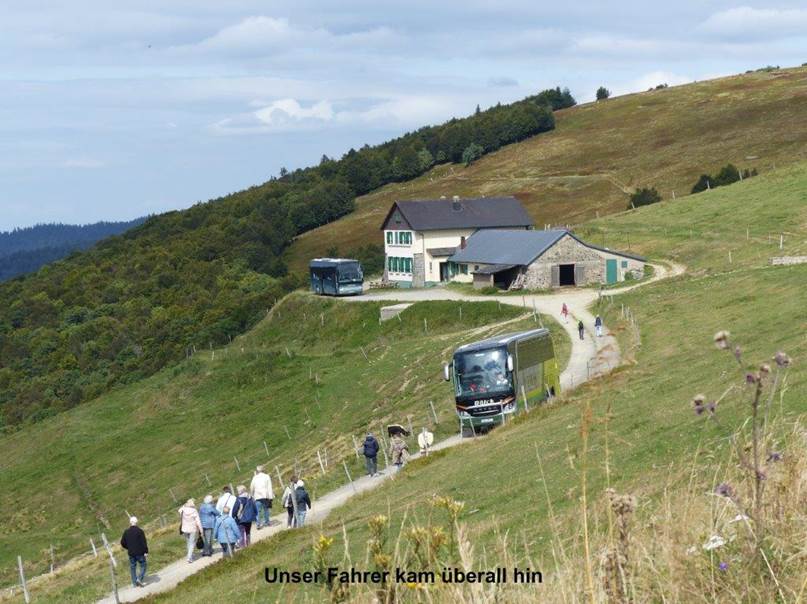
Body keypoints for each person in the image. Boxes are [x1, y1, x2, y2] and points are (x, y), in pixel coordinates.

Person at [120, 516, 148, 587]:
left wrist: (128, 547)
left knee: (133, 567)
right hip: (140, 552)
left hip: (131, 553)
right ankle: (139, 579)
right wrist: (146, 551)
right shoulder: (140, 531)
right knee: (143, 565)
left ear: (130, 522)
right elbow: (143, 542)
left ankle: (134, 583)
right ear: (137, 522)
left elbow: (122, 542)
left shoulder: (126, 532)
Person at [178, 499, 203, 563]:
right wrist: (201, 530)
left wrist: (185, 505)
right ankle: (189, 557)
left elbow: (179, 510)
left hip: (185, 529)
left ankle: (191, 555)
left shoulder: (182, 510)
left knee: (188, 542)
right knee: (192, 543)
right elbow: (198, 521)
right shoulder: (194, 511)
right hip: (192, 529)